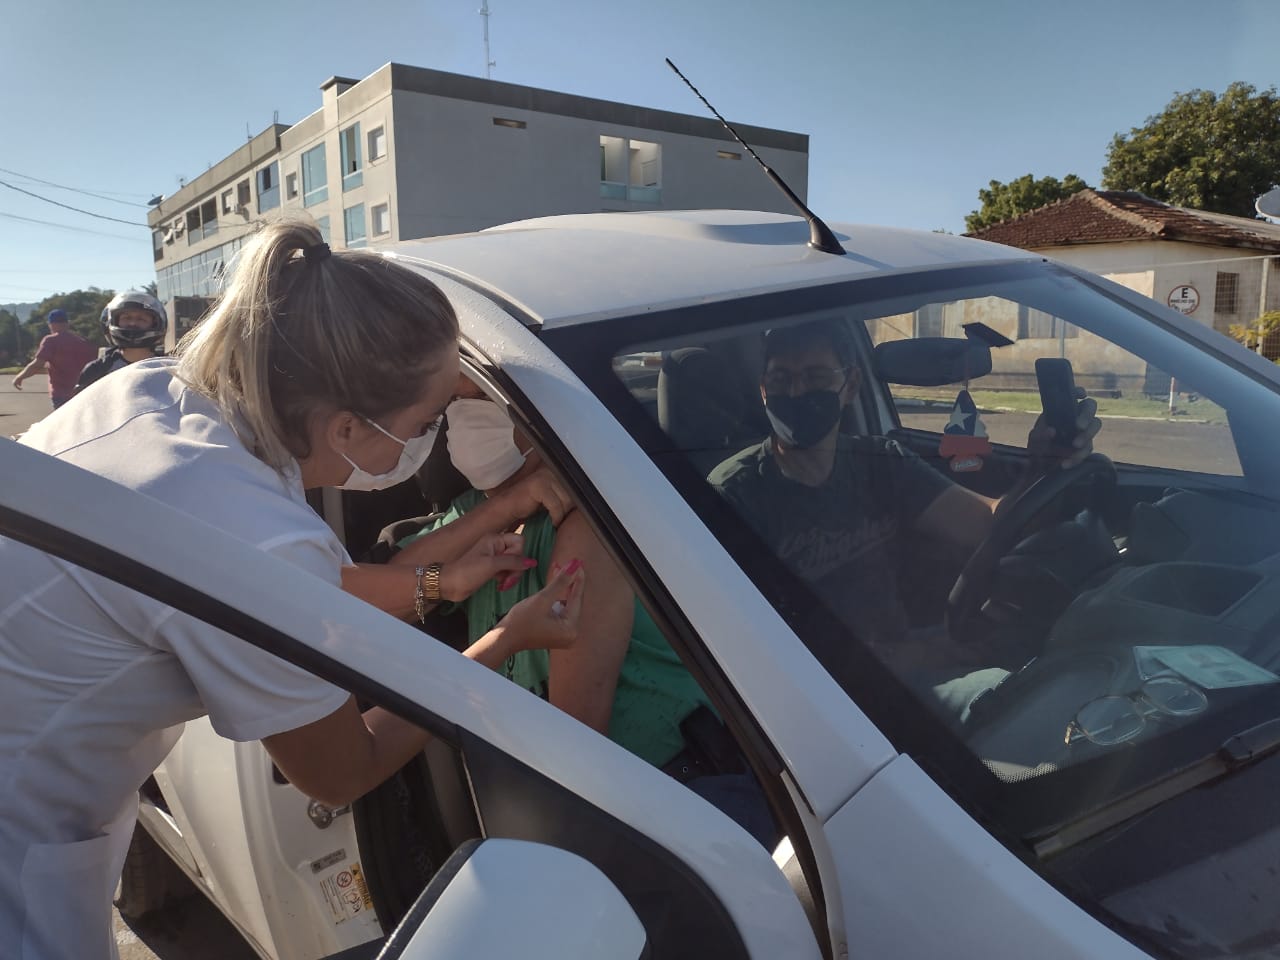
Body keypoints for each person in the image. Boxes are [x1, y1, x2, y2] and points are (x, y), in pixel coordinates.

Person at [0, 219, 584, 960]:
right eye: (428, 420)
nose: (432, 439)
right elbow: (342, 772)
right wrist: (506, 642)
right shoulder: (254, 534)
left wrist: (484, 530)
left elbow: (305, 592)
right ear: (347, 428)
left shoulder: (159, 391)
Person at [400, 383, 779, 846]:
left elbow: (577, 742)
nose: (464, 416)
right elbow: (389, 592)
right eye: (453, 402)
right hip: (563, 795)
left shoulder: (585, 518)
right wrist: (501, 511)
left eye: (481, 397)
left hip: (665, 804)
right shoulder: (474, 512)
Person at [708, 321, 1100, 714]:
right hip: (828, 693)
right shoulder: (735, 496)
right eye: (781, 379)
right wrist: (917, 656)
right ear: (764, 390)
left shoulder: (878, 462)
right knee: (1020, 704)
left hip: (904, 651)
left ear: (851, 386)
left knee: (1070, 649)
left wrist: (1042, 463)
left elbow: (987, 526)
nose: (796, 392)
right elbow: (750, 646)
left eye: (816, 377)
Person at [74, 290, 168, 393]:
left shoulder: (169, 368)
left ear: (156, 324)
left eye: (141, 319)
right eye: (126, 318)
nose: (133, 323)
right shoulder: (96, 370)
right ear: (112, 321)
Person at [10, 308, 98, 408]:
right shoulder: (82, 341)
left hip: (61, 394)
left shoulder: (51, 341)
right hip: (82, 392)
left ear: (51, 324)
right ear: (67, 323)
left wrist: (19, 377)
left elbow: (38, 364)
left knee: (63, 418)